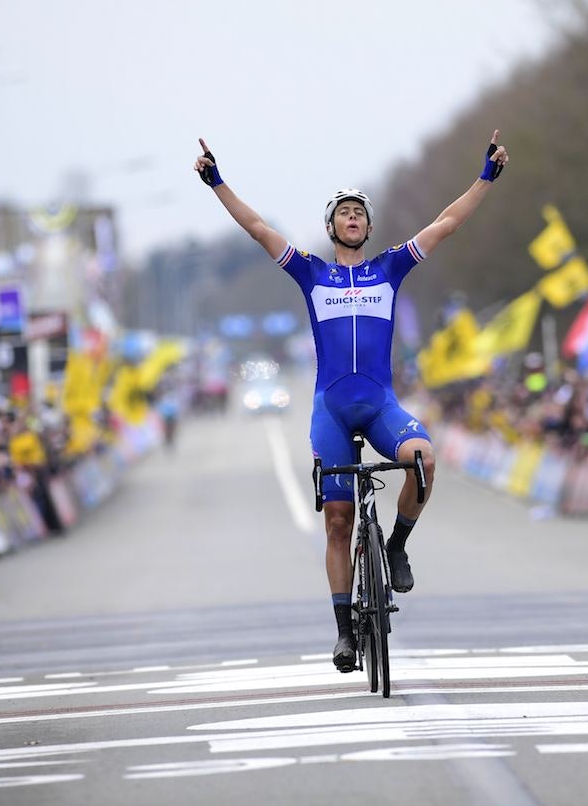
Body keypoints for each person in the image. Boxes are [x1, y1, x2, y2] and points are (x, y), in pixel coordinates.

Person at [194, 130, 509, 672]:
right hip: (332, 409)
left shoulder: (389, 268)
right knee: (338, 522)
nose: (354, 217)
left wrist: (485, 177)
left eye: (360, 211)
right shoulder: (311, 273)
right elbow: (257, 228)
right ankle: (344, 632)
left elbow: (447, 224)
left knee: (425, 460)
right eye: (344, 212)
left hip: (381, 403)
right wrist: (216, 181)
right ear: (331, 226)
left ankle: (397, 546)